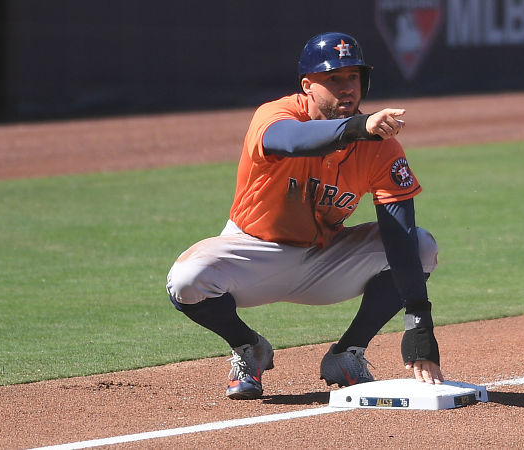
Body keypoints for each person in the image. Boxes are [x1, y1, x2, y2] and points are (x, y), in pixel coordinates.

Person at [166, 31, 444, 400]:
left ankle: (347, 354)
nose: (347, 88)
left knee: (421, 245)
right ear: (307, 86)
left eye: (353, 77)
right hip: (253, 253)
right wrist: (360, 128)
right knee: (187, 279)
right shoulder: (275, 114)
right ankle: (249, 347)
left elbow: (399, 232)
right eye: (333, 79)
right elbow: (292, 140)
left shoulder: (381, 148)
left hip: (324, 260)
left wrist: (419, 320)